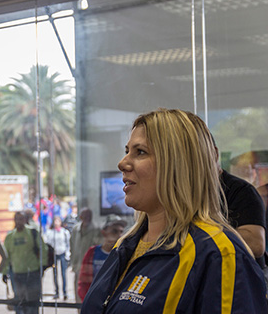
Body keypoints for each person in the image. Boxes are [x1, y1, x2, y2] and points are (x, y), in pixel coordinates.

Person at [81, 108, 267, 313]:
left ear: (178, 164)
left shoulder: (220, 255)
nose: (122, 163)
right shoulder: (124, 246)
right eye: (127, 151)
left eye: (140, 152)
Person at [3, 212, 48, 314]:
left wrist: (43, 265)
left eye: (21, 219)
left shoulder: (33, 233)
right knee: (20, 302)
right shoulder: (10, 237)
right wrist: (4, 272)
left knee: (33, 302)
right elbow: (6, 256)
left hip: (32, 272)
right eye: (17, 219)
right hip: (17, 274)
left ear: (25, 220)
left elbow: (43, 249)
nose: (19, 221)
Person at [77, 214, 126, 301]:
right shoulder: (92, 253)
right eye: (114, 231)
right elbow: (84, 282)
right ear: (104, 232)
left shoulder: (124, 254)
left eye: (121, 232)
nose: (119, 235)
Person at [70, 207, 101, 305]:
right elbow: (72, 246)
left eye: (89, 216)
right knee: (78, 296)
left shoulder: (96, 230)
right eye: (85, 216)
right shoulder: (75, 229)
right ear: (80, 217)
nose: (87, 218)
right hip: (78, 268)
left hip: (91, 270)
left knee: (90, 297)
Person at [44, 216, 70, 300]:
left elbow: (67, 244)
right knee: (55, 274)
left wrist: (67, 254)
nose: (56, 223)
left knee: (63, 274)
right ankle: (57, 292)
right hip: (54, 255)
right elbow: (48, 244)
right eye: (55, 221)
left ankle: (64, 291)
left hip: (62, 253)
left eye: (58, 221)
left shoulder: (64, 232)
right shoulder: (50, 232)